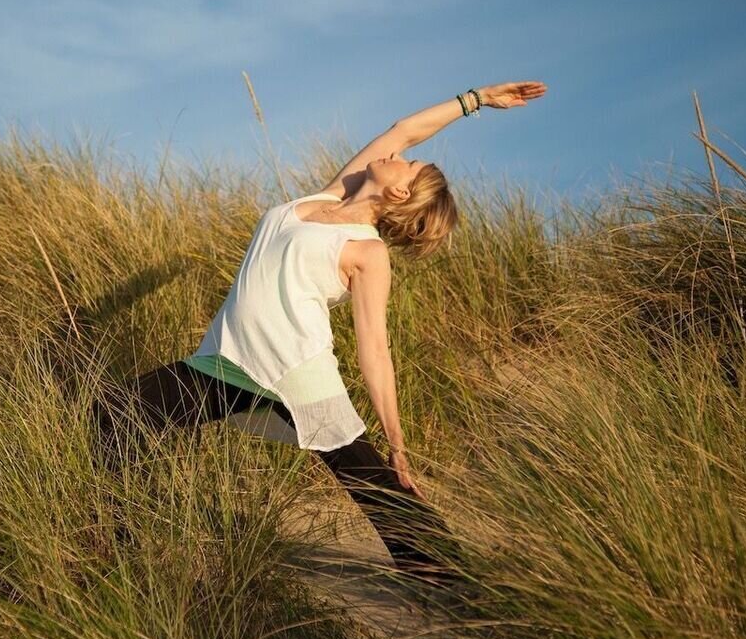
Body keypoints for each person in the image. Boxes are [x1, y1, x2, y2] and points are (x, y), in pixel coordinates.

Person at [93, 81, 549, 586]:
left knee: (377, 488)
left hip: (297, 373)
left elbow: (375, 350)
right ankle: (120, 546)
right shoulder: (332, 195)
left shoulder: (367, 252)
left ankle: (461, 589)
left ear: (399, 192)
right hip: (227, 361)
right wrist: (478, 100)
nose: (399, 154)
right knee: (113, 417)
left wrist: (397, 444)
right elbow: (403, 129)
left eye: (409, 164)